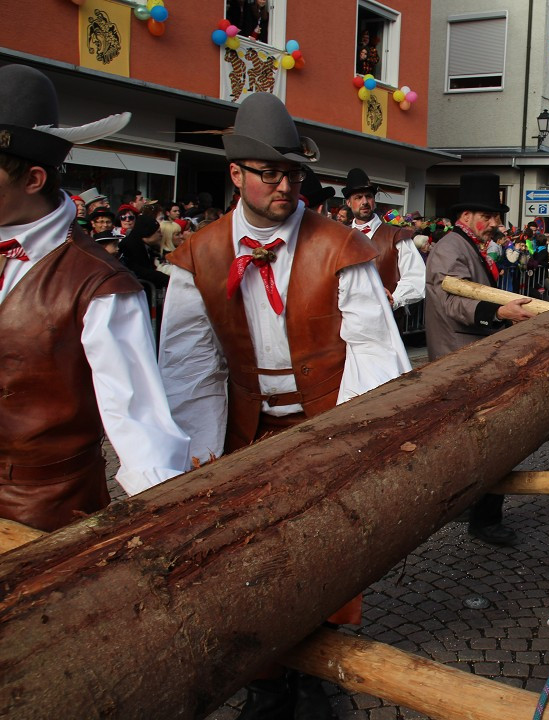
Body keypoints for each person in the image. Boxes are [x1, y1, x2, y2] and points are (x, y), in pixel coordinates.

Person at [158, 92, 410, 719]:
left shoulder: (342, 245)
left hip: (325, 421)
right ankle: (265, 681)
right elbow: (188, 362)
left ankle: (317, 674)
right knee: (244, 560)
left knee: (327, 553)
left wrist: (349, 440)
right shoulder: (200, 252)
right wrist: (196, 450)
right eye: (269, 172)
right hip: (245, 430)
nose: (284, 183)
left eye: (292, 171)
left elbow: (374, 351)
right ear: (236, 174)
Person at [0, 64, 190, 533]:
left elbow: (139, 420)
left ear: (32, 179)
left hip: (46, 510)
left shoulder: (99, 282)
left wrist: (168, 530)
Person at [424, 172, 535, 546]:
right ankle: (484, 519)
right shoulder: (452, 248)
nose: (496, 225)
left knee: (478, 440)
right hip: (460, 357)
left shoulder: (465, 245)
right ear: (468, 215)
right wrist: (500, 314)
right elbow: (452, 301)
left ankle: (472, 509)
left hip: (470, 356)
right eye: (489, 217)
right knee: (493, 439)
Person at [343, 167, 425, 310]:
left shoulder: (396, 236)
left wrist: (393, 300)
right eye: (358, 197)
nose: (364, 202)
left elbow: (416, 278)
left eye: (368, 196)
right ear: (349, 203)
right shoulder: (340, 236)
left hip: (387, 323)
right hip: (348, 324)